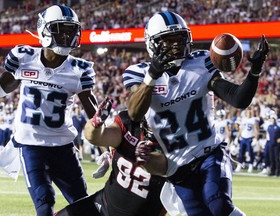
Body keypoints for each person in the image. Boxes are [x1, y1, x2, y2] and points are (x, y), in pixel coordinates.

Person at [122, 11, 269, 216]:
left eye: (181, 39)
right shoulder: (138, 73)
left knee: (218, 204)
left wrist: (255, 71)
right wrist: (152, 76)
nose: (177, 46)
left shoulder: (201, 62)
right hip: (177, 166)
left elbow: (238, 99)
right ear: (153, 44)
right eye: (169, 41)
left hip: (209, 152)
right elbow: (135, 113)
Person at [0, 5, 98, 216]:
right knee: (44, 204)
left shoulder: (80, 69)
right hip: (31, 146)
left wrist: (110, 144)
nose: (67, 35)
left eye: (70, 30)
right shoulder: (24, 57)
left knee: (84, 206)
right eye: (61, 29)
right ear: (44, 30)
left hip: (63, 147)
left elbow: (94, 114)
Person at [55, 97, 167, 216]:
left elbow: (161, 168)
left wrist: (147, 158)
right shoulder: (129, 123)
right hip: (103, 205)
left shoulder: (177, 144)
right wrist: (96, 124)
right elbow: (95, 137)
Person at [235, 107, 260, 173]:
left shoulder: (253, 120)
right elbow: (240, 129)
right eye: (248, 111)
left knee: (250, 153)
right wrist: (237, 137)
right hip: (243, 138)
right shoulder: (243, 119)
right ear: (245, 112)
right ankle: (239, 165)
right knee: (241, 153)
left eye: (250, 111)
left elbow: (256, 130)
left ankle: (250, 165)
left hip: (250, 138)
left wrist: (256, 139)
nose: (249, 113)